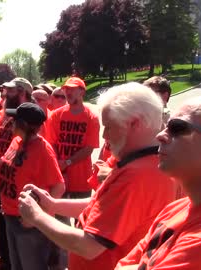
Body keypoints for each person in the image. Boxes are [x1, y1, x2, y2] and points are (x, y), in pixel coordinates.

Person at [18, 82, 177, 270]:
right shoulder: (141, 162)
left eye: (109, 126)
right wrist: (52, 204)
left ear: (135, 124)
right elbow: (100, 206)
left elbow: (88, 247)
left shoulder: (136, 175)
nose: (104, 135)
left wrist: (37, 216)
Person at [116, 97, 201, 269]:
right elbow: (123, 265)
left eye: (177, 128)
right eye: (166, 125)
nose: (160, 135)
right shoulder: (177, 208)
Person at [0, 102, 65, 270]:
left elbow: (58, 187)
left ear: (25, 125)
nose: (10, 123)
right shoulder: (16, 142)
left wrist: (36, 215)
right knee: (17, 266)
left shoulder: (43, 150)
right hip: (9, 215)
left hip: (28, 222)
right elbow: (6, 164)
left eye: (15, 120)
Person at [0, 77, 34, 270]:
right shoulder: (5, 115)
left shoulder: (32, 118)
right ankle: (3, 261)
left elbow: (30, 150)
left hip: (20, 184)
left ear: (22, 92)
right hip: (2, 180)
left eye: (11, 91)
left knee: (21, 231)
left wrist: (3, 159)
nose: (6, 94)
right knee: (3, 223)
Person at [47, 77, 100, 200]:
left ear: (82, 92)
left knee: (80, 218)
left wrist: (67, 162)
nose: (68, 92)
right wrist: (59, 166)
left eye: (72, 89)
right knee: (59, 216)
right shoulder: (56, 115)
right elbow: (52, 143)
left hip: (81, 179)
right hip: (59, 177)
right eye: (66, 89)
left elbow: (89, 149)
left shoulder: (92, 118)